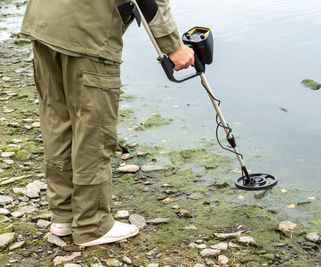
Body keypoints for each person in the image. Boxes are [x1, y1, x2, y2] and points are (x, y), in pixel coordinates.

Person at [21, 0, 194, 247]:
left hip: (44, 22)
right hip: (88, 32)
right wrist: (174, 46)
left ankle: (64, 215)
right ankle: (92, 225)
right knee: (94, 130)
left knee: (58, 120)